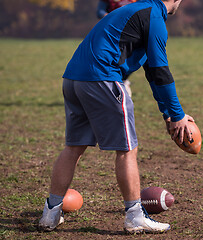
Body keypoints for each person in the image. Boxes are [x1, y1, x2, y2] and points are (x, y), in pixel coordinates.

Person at [39, 0, 193, 234]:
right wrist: (178, 115)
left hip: (73, 78)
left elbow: (152, 71)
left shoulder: (135, 10)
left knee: (74, 147)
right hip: (102, 78)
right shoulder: (153, 16)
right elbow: (161, 71)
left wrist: (168, 114)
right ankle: (134, 216)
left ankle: (50, 214)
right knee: (127, 149)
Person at [96, 0, 137, 97]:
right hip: (114, 32)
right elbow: (100, 11)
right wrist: (109, 17)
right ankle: (113, 84)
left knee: (134, 58)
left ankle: (123, 80)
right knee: (112, 58)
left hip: (133, 32)